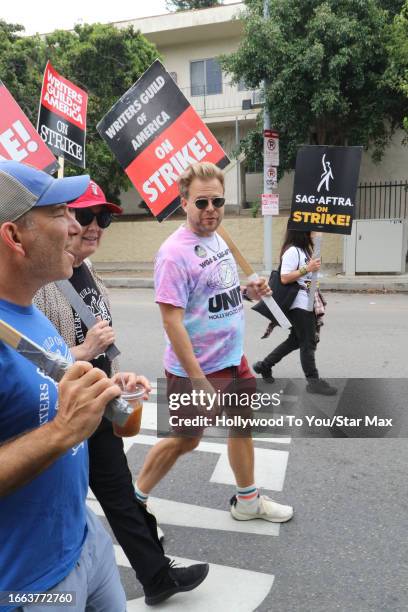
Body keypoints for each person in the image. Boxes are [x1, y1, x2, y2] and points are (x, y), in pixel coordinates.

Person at [33, 179, 209, 607]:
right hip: (63, 417)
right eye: (87, 215)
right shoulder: (41, 283)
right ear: (66, 220)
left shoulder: (90, 275)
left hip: (98, 406)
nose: (95, 227)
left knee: (119, 494)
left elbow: (96, 355)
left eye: (105, 217)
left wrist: (116, 380)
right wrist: (84, 351)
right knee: (59, 507)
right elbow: (33, 363)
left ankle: (156, 576)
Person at [134, 161, 294, 523]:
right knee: (185, 439)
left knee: (241, 425)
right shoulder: (174, 254)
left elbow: (213, 296)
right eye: (202, 203)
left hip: (231, 358)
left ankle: (248, 501)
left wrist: (247, 292)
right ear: (184, 202)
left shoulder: (218, 238)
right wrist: (197, 380)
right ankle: (134, 500)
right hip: (197, 368)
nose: (211, 210)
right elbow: (171, 320)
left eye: (217, 202)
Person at [0, 160, 126, 612]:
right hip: (26, 586)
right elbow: (57, 428)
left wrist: (105, 395)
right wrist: (61, 431)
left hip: (84, 540)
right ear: (15, 237)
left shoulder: (31, 312)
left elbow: (45, 400)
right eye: (59, 212)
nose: (75, 225)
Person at [253, 228, 337, 395]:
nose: (315, 230)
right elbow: (284, 277)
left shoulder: (306, 250)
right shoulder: (293, 251)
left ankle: (264, 365)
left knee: (296, 340)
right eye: (312, 227)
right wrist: (308, 268)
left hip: (308, 301)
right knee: (308, 342)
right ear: (302, 231)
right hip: (298, 303)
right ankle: (314, 382)